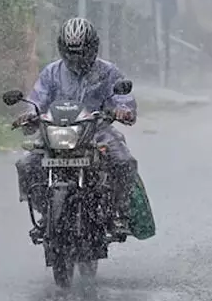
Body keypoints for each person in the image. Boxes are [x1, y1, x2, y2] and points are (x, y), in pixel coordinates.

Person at [14, 17, 137, 238]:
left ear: (92, 47)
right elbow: (37, 100)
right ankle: (47, 211)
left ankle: (118, 212)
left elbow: (123, 99)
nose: (76, 57)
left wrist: (122, 110)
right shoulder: (51, 72)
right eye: (71, 52)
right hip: (57, 132)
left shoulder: (108, 72)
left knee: (124, 162)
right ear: (62, 48)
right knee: (27, 164)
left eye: (81, 52)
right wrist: (29, 115)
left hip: (97, 131)